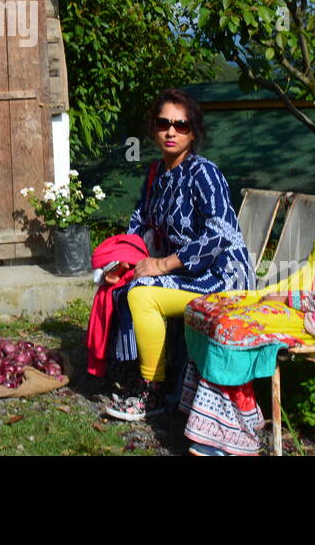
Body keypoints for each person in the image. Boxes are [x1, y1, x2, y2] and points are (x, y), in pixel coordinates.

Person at [179, 145, 315, 456]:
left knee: (231, 326)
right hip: (299, 307)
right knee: (205, 306)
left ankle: (236, 436)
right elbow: (313, 278)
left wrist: (286, 298)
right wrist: (275, 296)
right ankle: (205, 418)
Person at [101, 88, 253, 422]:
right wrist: (123, 261)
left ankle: (150, 391)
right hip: (185, 273)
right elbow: (140, 221)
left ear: (194, 131)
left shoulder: (204, 173)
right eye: (164, 123)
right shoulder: (156, 173)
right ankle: (132, 375)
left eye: (181, 125)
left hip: (220, 273)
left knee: (142, 295)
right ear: (153, 128)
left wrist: (162, 264)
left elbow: (221, 233)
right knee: (123, 285)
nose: (171, 131)